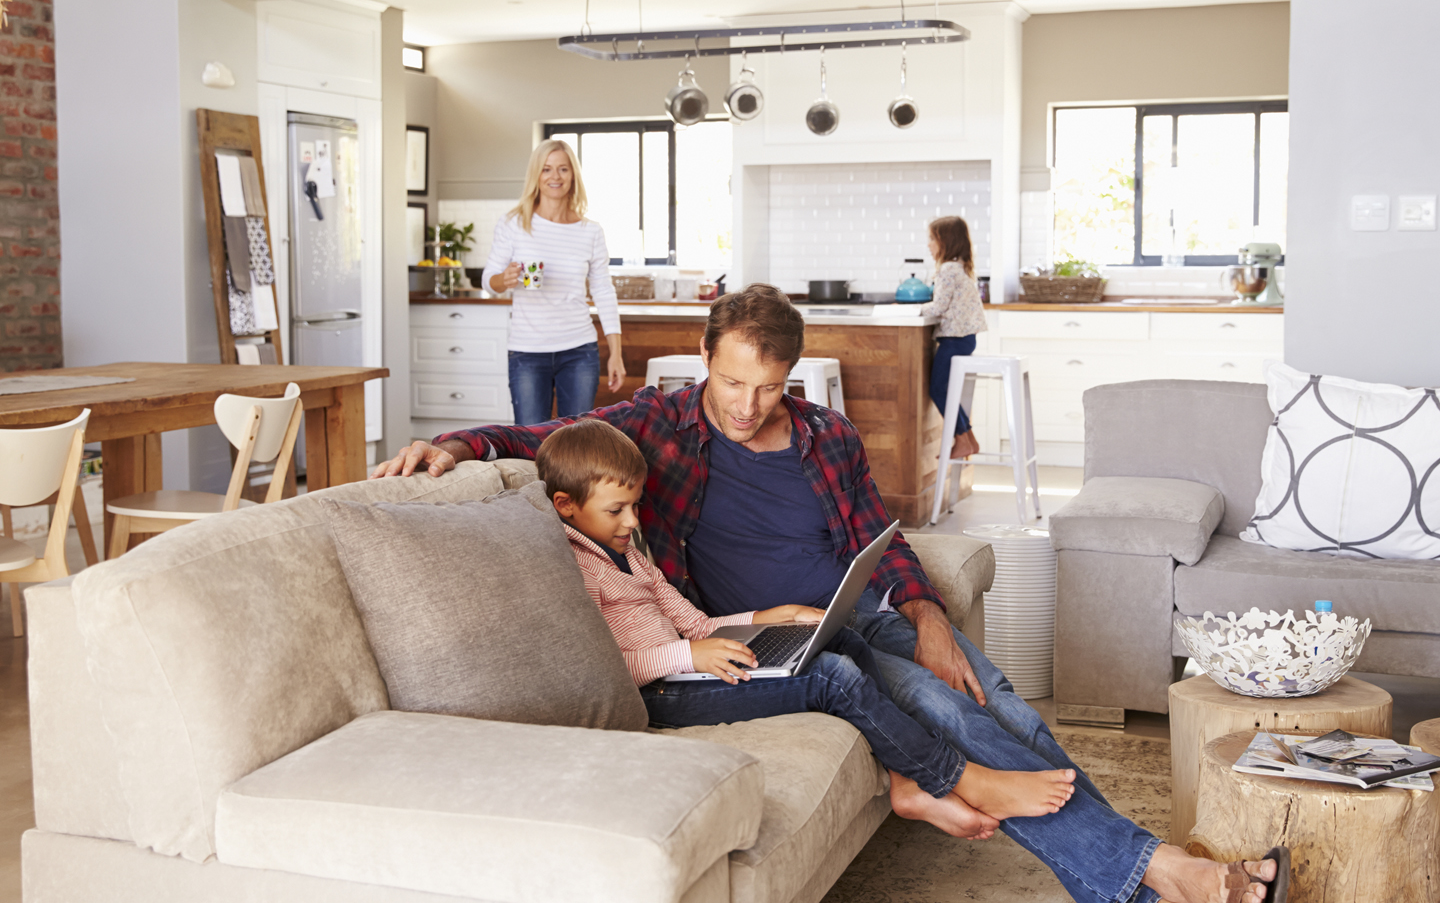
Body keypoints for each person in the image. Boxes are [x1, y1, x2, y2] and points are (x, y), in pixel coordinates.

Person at [372, 283, 1285, 903]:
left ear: (791, 378)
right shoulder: (658, 423)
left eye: (766, 387)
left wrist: (923, 610)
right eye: (731, 382)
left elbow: (872, 541)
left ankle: (1145, 873)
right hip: (781, 641)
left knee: (997, 705)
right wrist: (457, 444)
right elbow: (548, 436)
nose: (745, 405)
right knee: (959, 720)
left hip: (864, 618)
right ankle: (1175, 874)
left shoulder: (826, 437)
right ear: (704, 360)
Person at [535, 416, 1077, 838]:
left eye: (635, 506)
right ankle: (955, 778)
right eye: (617, 510)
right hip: (660, 695)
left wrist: (767, 619)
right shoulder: (575, 566)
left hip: (691, 668)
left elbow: (696, 624)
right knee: (831, 678)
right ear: (565, 505)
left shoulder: (626, 551)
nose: (633, 521)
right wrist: (686, 657)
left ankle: (908, 784)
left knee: (839, 635)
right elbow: (604, 670)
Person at [482, 139, 625, 423]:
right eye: (546, 169)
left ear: (573, 175)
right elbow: (488, 281)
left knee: (575, 446)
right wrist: (504, 279)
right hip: (527, 352)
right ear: (536, 175)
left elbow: (603, 292)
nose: (555, 177)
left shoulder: (591, 231)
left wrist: (616, 353)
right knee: (529, 445)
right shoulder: (513, 224)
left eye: (563, 169)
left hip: (579, 350)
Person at [921, 215, 986, 460]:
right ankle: (967, 439)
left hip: (954, 340)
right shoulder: (960, 267)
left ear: (945, 241)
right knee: (943, 389)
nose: (928, 245)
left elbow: (938, 307)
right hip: (964, 338)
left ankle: (962, 438)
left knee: (938, 389)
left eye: (931, 239)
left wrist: (914, 309)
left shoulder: (948, 269)